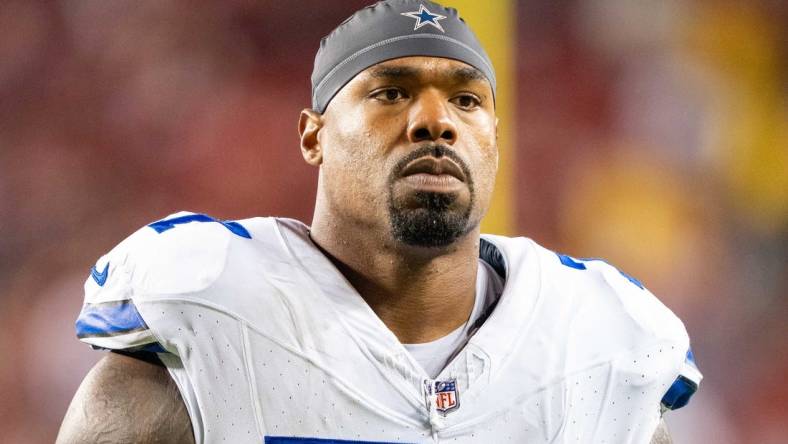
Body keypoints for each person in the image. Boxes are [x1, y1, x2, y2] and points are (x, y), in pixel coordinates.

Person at [57, 1, 702, 443]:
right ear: (313, 136)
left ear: (496, 137)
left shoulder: (599, 342)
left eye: (467, 100)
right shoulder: (206, 316)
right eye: (391, 91)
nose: (435, 120)